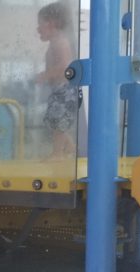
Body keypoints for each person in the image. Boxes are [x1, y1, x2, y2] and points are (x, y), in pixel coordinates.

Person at [35, 1, 78, 158]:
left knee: (58, 121)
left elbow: (65, 66)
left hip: (64, 90)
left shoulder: (60, 42)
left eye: (40, 24)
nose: (38, 28)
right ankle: (69, 147)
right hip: (60, 89)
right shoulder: (55, 42)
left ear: (52, 24)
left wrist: (46, 75)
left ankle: (58, 153)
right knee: (55, 120)